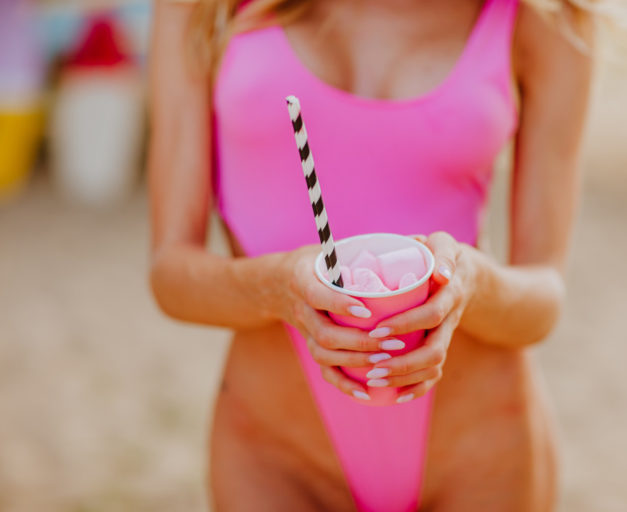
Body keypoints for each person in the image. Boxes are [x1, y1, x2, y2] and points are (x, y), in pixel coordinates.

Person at [148, 0, 604, 509]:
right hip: (277, 455)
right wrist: (280, 287)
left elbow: (542, 300)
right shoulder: (199, 7)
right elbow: (171, 275)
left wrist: (469, 282)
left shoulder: (547, 18)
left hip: (479, 452)